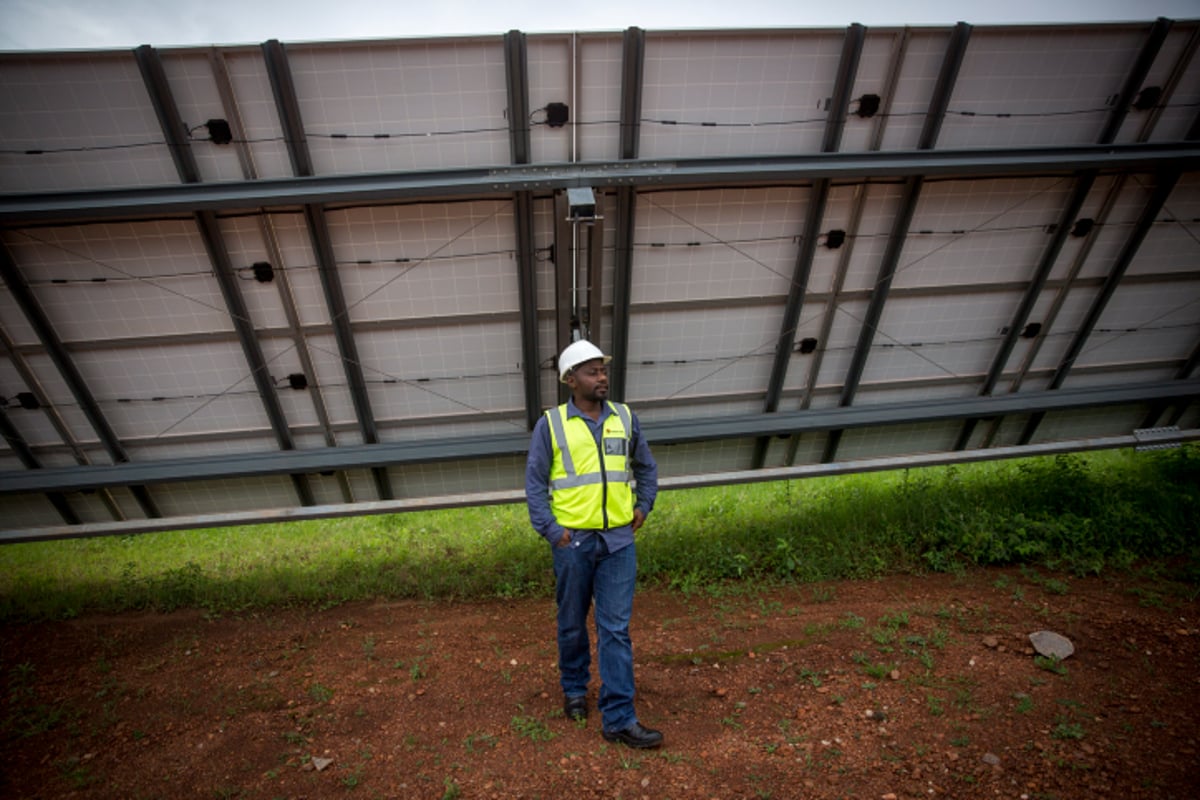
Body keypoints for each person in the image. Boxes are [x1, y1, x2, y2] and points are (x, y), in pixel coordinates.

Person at [524, 339, 663, 749]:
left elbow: (647, 466)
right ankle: (573, 689)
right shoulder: (550, 425)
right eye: (591, 371)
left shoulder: (624, 417)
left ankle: (619, 717)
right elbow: (534, 485)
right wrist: (553, 532)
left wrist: (644, 505)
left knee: (615, 630)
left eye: (602, 369)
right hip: (574, 544)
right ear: (570, 380)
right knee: (571, 621)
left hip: (619, 542)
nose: (601, 377)